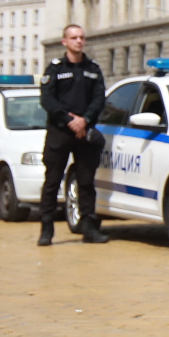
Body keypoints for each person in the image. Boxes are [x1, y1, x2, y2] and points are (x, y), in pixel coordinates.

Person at [38, 23, 110, 247]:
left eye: (81, 37)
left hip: (85, 133)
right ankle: (47, 229)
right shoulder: (55, 68)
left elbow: (99, 99)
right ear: (65, 42)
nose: (79, 41)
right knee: (52, 182)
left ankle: (89, 227)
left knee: (86, 182)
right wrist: (69, 120)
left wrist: (84, 120)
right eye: (74, 38)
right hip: (60, 132)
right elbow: (47, 100)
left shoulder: (93, 68)